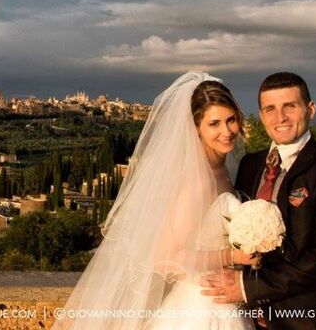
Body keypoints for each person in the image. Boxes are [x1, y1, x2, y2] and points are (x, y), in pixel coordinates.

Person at [53, 71, 257, 330]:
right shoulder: (198, 180)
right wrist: (236, 255)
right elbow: (169, 255)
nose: (227, 131)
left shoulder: (224, 168)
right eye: (214, 124)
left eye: (231, 120)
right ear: (196, 128)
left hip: (223, 300)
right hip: (201, 308)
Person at [202, 72, 316, 330]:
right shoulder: (250, 165)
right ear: (262, 115)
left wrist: (248, 288)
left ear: (311, 109)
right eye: (270, 109)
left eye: (290, 106)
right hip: (244, 318)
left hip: (300, 320)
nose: (280, 118)